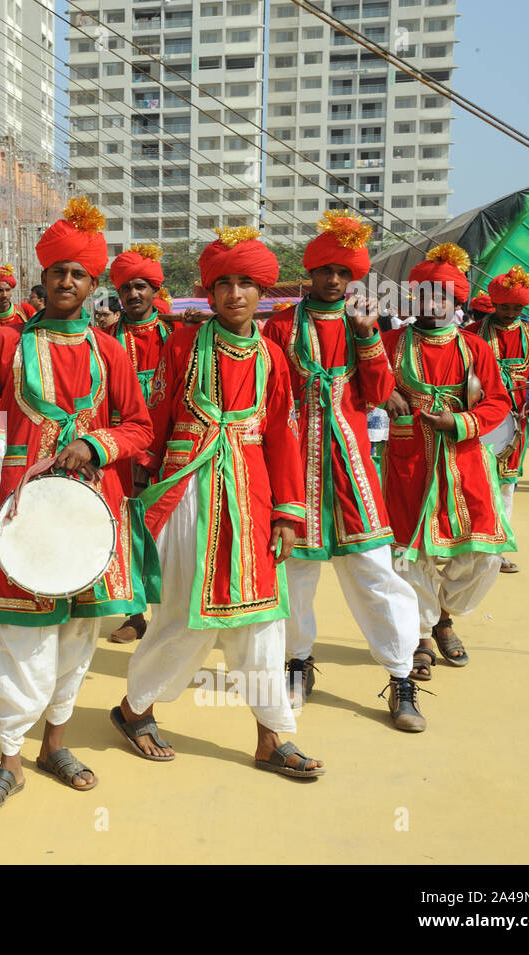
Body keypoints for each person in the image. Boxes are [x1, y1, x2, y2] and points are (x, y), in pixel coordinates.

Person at [0, 198, 155, 813]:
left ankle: (54, 745)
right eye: (58, 272)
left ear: (96, 286)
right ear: (41, 278)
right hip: (24, 508)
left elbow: (140, 428)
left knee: (77, 635)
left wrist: (97, 443)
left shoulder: (110, 350)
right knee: (19, 635)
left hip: (94, 510)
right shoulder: (7, 343)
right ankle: (9, 758)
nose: (67, 282)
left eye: (80, 274)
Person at [112, 226, 325, 779]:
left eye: (246, 284)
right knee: (185, 615)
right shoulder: (181, 344)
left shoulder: (275, 356)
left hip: (251, 498)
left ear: (263, 293)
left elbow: (281, 435)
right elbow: (153, 418)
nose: (235, 294)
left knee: (261, 620)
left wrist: (288, 513)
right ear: (209, 293)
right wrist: (136, 483)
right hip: (186, 492)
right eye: (224, 284)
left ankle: (272, 736)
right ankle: (136, 709)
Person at [261, 211, 425, 731]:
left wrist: (368, 336)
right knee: (294, 575)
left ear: (354, 278)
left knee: (376, 572)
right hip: (296, 466)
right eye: (325, 270)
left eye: (343, 273)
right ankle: (296, 665)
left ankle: (401, 677)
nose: (333, 280)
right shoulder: (281, 324)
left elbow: (378, 395)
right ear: (309, 272)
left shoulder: (364, 324)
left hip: (353, 468)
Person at [381, 243, 514, 676]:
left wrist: (459, 421)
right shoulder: (389, 343)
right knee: (408, 555)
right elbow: (360, 381)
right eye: (423, 293)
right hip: (409, 458)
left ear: (457, 300)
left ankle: (442, 613)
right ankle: (423, 635)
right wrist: (385, 393)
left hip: (464, 459)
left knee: (483, 554)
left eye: (441, 294)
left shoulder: (476, 347)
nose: (431, 302)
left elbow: (497, 403)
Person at [467, 267, 529, 571]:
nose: (510, 313)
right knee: (472, 485)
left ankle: (496, 550)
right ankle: (466, 545)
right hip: (478, 420)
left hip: (516, 422)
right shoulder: (470, 334)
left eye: (516, 308)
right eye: (504, 307)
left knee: (506, 488)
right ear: (494, 304)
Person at [102, 243, 168, 646]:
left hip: (170, 447)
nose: (134, 295)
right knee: (126, 528)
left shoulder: (177, 337)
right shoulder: (105, 339)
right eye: (127, 288)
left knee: (170, 533)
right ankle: (135, 613)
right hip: (121, 449)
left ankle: (172, 613)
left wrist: (155, 453)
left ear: (154, 291)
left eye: (141, 287)